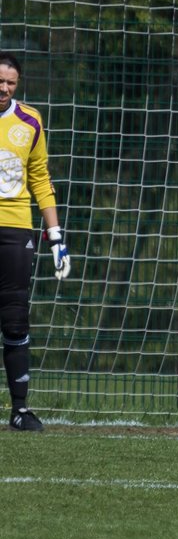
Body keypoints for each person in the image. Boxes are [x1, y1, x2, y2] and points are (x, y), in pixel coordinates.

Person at [0, 52, 70, 432]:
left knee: (14, 318)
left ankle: (20, 410)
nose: (3, 87)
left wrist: (55, 235)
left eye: (10, 82)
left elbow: (40, 178)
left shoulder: (30, 121)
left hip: (15, 229)